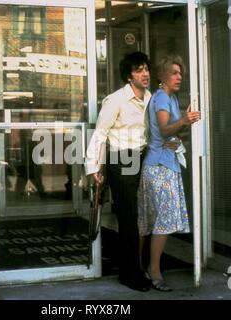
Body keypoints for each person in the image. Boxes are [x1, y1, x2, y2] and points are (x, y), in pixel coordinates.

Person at [85, 51, 152, 292]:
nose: (145, 73)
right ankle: (130, 274)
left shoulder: (150, 98)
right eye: (138, 70)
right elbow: (100, 133)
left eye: (146, 68)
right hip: (121, 159)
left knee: (139, 217)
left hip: (142, 157)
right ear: (128, 76)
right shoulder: (116, 100)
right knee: (128, 217)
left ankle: (138, 268)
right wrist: (94, 166)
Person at [137, 55, 200, 291]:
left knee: (150, 222)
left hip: (162, 164)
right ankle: (154, 271)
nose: (179, 77)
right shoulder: (162, 97)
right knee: (161, 223)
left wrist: (181, 130)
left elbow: (168, 136)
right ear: (162, 76)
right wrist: (183, 120)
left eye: (181, 73)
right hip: (160, 168)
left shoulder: (169, 98)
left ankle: (141, 267)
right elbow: (164, 130)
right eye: (174, 73)